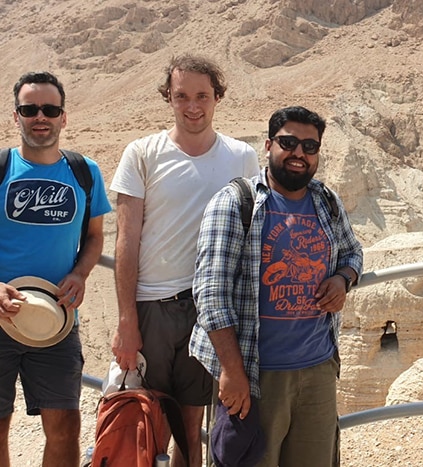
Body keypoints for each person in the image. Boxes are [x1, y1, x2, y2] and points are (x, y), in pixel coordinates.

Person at [190, 105, 363, 467]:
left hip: (317, 372)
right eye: (289, 142)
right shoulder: (236, 203)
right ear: (269, 145)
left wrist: (342, 279)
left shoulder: (325, 201)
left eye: (309, 147)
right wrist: (232, 373)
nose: (299, 153)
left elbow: (352, 252)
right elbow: (211, 295)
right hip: (255, 375)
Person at [109, 54, 260, 467]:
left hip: (208, 311)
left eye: (202, 96)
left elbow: (253, 235)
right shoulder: (142, 153)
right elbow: (126, 239)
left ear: (217, 98)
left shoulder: (242, 158)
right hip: (152, 306)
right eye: (181, 96)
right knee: (144, 422)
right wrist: (126, 322)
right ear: (168, 98)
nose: (192, 106)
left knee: (191, 430)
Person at [0, 71, 111, 467]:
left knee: (64, 427)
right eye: (30, 109)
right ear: (16, 116)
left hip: (57, 319)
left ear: (64, 117)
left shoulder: (85, 172)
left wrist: (80, 273)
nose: (40, 117)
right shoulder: (1, 167)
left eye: (50, 108)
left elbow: (95, 237)